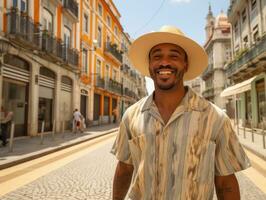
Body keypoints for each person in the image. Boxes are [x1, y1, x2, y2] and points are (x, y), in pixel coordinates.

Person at [111, 26, 250, 200]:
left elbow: (225, 184)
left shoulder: (215, 118)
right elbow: (124, 170)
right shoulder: (131, 116)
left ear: (186, 64)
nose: (164, 62)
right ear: (149, 65)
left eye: (174, 56)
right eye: (157, 56)